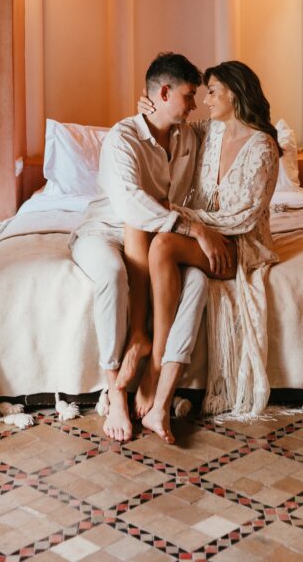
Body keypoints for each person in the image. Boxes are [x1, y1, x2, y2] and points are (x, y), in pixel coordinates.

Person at [132, 60, 281, 443]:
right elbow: (173, 124)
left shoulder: (263, 146)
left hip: (241, 243)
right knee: (179, 264)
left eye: (212, 91)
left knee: (164, 241)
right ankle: (162, 397)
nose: (205, 100)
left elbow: (246, 216)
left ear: (234, 92)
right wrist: (146, 108)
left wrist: (195, 227)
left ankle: (153, 363)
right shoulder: (209, 131)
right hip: (207, 239)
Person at [70, 52, 210, 442]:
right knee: (113, 276)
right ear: (164, 92)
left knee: (196, 281)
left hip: (157, 236)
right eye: (188, 96)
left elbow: (232, 124)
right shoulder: (123, 137)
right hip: (105, 231)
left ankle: (160, 373)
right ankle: (115, 389)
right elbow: (131, 203)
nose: (195, 104)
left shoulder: (189, 136)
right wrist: (192, 226)